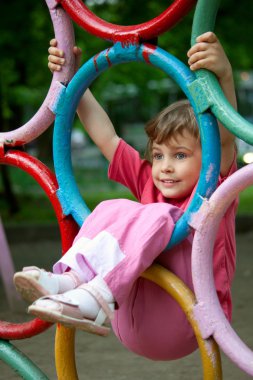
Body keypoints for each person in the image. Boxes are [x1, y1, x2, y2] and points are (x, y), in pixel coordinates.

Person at [14, 32, 237, 360]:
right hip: (127, 317)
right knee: (112, 208)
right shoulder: (150, 181)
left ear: (209, 159)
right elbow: (106, 137)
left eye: (179, 155)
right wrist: (74, 79)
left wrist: (225, 76)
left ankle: (95, 295)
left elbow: (226, 138)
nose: (164, 167)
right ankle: (71, 281)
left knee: (158, 216)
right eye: (158, 155)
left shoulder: (214, 188)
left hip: (187, 317)